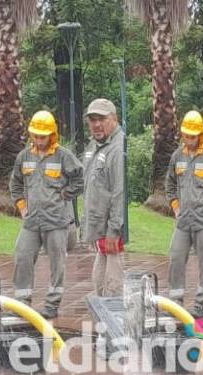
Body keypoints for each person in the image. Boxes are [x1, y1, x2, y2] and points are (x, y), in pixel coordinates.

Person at [10, 110, 83, 319]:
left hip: (56, 221)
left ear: (52, 134)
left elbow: (79, 179)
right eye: (35, 136)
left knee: (57, 264)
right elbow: (15, 183)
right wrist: (22, 207)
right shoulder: (24, 157)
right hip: (32, 220)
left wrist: (65, 194)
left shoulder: (63, 156)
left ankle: (52, 305)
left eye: (43, 136)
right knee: (22, 255)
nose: (39, 140)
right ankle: (22, 302)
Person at [165, 110, 203, 318]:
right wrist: (175, 205)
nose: (189, 139)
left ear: (200, 135)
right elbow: (170, 183)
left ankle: (200, 306)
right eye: (186, 135)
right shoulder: (177, 156)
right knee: (175, 257)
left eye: (192, 136)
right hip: (184, 221)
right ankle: (176, 303)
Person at [83, 98, 125, 297]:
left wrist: (114, 230)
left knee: (112, 287)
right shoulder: (94, 145)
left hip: (110, 231)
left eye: (102, 119)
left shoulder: (118, 148)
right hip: (98, 227)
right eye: (92, 120)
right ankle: (102, 319)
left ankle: (114, 321)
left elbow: (119, 192)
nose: (97, 124)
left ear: (114, 119)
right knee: (99, 286)